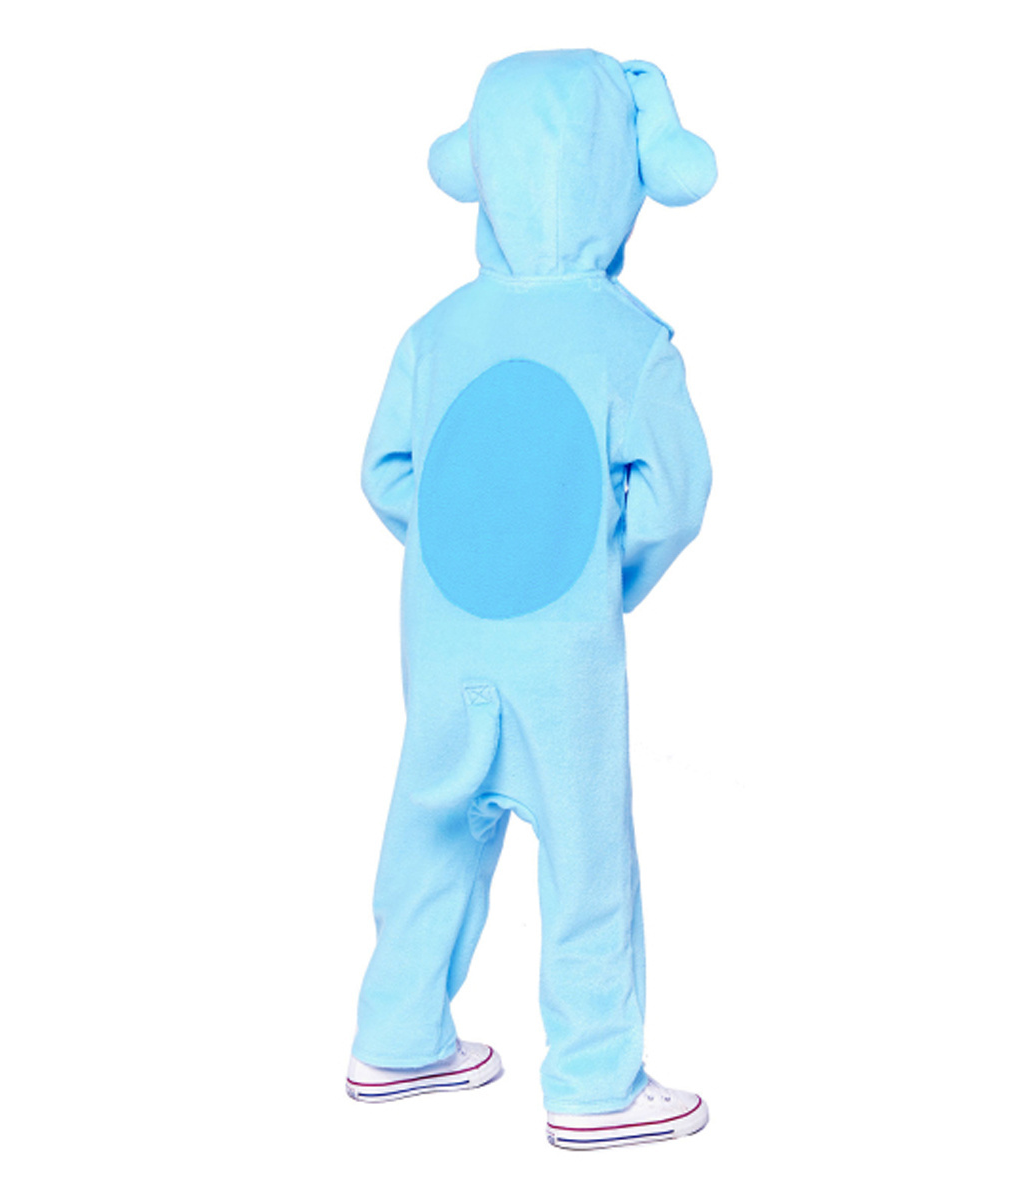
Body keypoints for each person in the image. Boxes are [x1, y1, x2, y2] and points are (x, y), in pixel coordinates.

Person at [346, 48, 717, 1150]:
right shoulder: (631, 340)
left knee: (431, 829)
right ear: (620, 176)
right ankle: (594, 1084)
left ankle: (397, 1037)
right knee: (587, 853)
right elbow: (676, 499)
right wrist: (605, 574)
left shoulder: (433, 333)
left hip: (443, 636)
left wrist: (460, 548)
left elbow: (385, 473)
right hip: (562, 654)